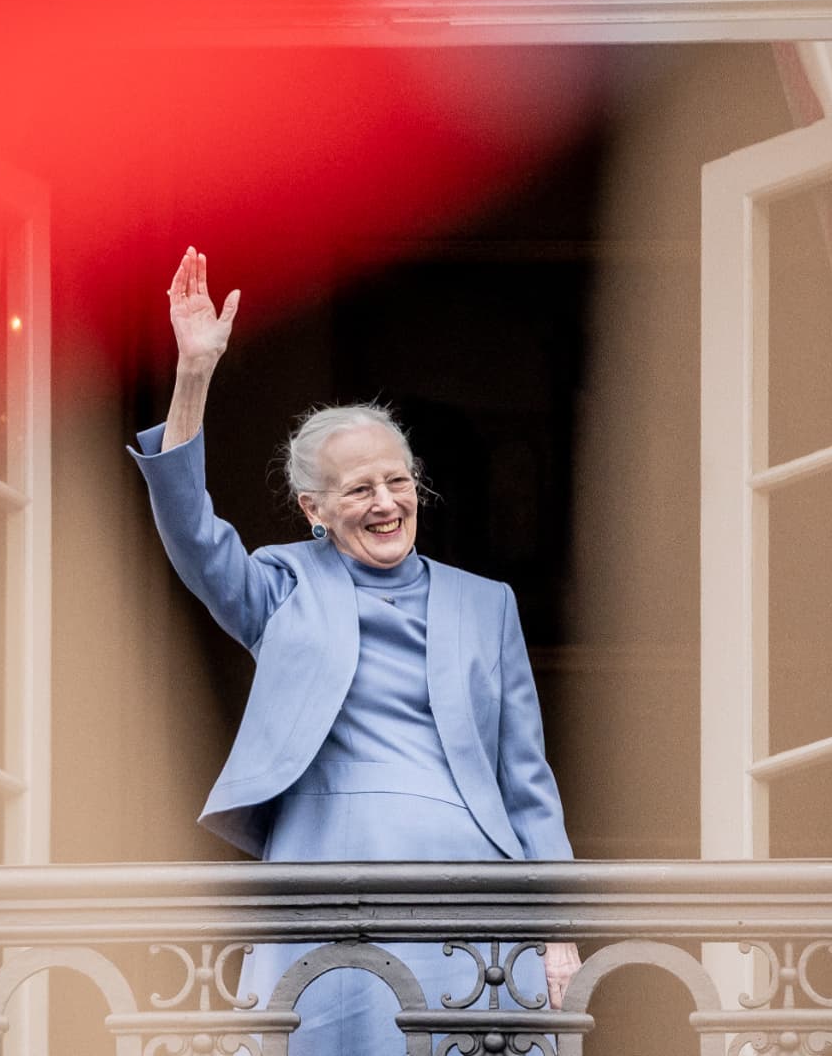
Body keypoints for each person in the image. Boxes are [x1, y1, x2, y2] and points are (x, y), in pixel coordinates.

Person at [130, 248, 579, 1054]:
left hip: (468, 888)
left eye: (397, 481)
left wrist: (555, 925)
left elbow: (527, 783)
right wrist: (193, 374)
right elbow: (194, 536)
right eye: (359, 489)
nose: (385, 503)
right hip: (327, 876)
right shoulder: (280, 587)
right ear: (315, 508)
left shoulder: (488, 604)